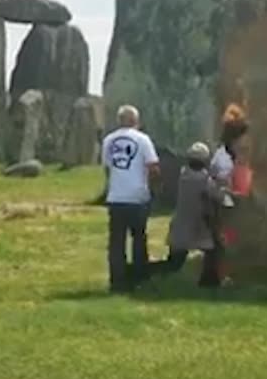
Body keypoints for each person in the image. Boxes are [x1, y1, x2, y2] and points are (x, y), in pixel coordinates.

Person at [101, 105, 161, 293]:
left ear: (119, 120)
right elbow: (152, 166)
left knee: (116, 241)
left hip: (116, 196)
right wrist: (155, 188)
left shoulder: (109, 140)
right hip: (137, 196)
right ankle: (138, 276)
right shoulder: (143, 140)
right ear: (136, 121)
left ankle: (117, 279)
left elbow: (107, 167)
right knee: (139, 238)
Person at [161, 142, 228, 287]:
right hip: (198, 226)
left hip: (180, 225)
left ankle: (147, 274)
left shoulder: (182, 175)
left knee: (173, 264)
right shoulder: (205, 180)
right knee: (214, 251)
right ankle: (209, 282)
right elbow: (219, 197)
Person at [208, 105, 251, 285]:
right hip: (223, 203)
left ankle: (226, 274)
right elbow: (220, 181)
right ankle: (221, 276)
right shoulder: (223, 158)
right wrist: (233, 191)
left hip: (230, 202)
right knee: (224, 240)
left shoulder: (231, 155)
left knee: (230, 239)